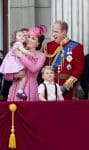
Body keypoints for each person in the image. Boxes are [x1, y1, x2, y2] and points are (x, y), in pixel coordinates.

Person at [44, 20, 85, 100]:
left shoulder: (76, 47)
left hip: (69, 90)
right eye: (53, 31)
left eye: (56, 32)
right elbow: (44, 68)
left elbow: (79, 70)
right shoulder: (48, 47)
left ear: (64, 32)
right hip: (50, 88)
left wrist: (66, 86)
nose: (53, 34)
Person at [5, 25, 47, 101]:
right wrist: (15, 75)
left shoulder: (41, 56)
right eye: (28, 37)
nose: (29, 40)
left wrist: (21, 56)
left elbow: (34, 69)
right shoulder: (17, 52)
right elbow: (6, 75)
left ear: (38, 43)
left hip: (31, 89)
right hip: (16, 89)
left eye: (33, 38)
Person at [0, 29, 31, 100]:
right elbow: (6, 77)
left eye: (27, 36)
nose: (24, 38)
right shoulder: (17, 48)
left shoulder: (34, 52)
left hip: (28, 86)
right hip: (15, 86)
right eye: (23, 36)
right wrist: (14, 75)